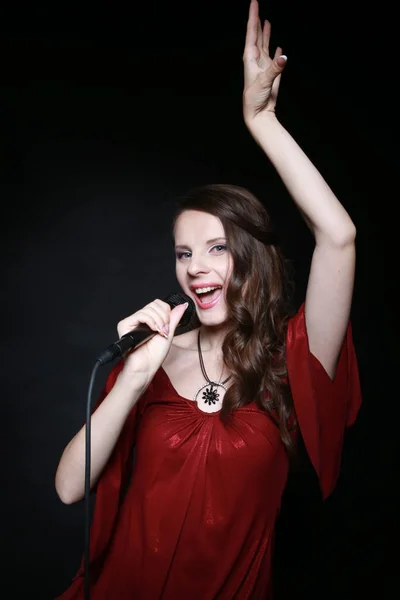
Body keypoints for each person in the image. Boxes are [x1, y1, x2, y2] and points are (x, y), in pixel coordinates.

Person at [54, 1, 361, 598]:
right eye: (183, 253)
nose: (196, 269)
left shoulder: (294, 359)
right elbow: (69, 488)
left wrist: (261, 122)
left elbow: (340, 237)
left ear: (251, 257)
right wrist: (135, 377)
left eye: (217, 249)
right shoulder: (149, 357)